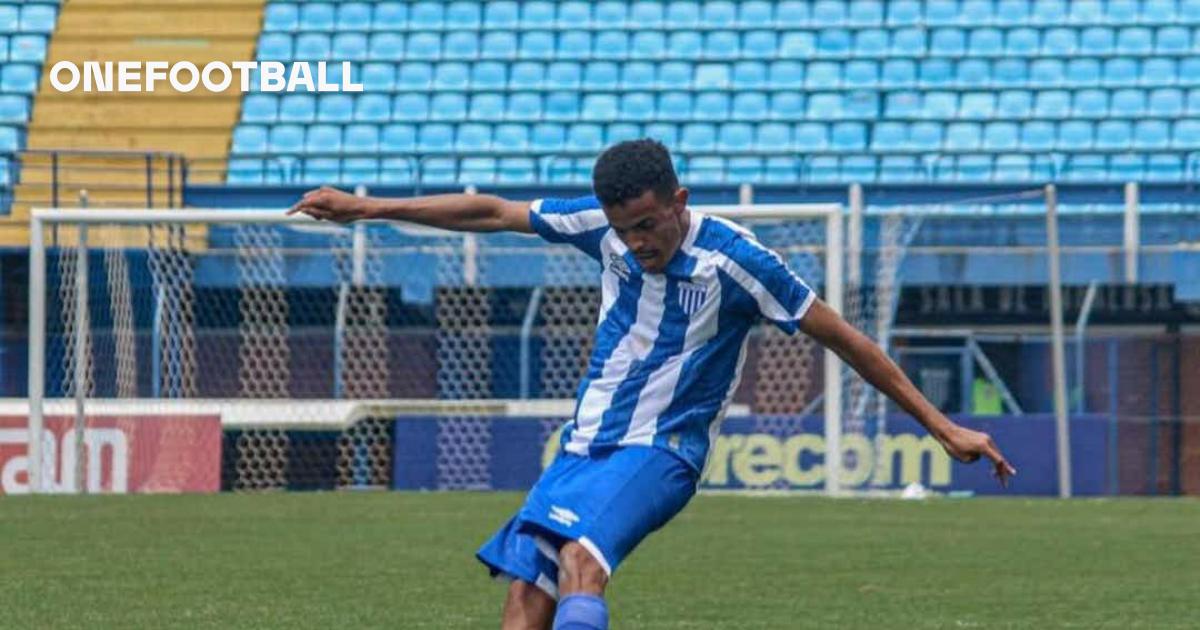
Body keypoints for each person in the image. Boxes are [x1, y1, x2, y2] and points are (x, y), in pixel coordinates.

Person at [289, 139, 1016, 630]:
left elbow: (849, 342)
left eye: (646, 224)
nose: (637, 243)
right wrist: (365, 207)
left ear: (678, 200)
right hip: (585, 446)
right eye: (623, 229)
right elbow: (492, 212)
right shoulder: (600, 229)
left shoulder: (737, 262)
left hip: (662, 451)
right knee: (525, 598)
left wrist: (941, 425)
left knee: (581, 563)